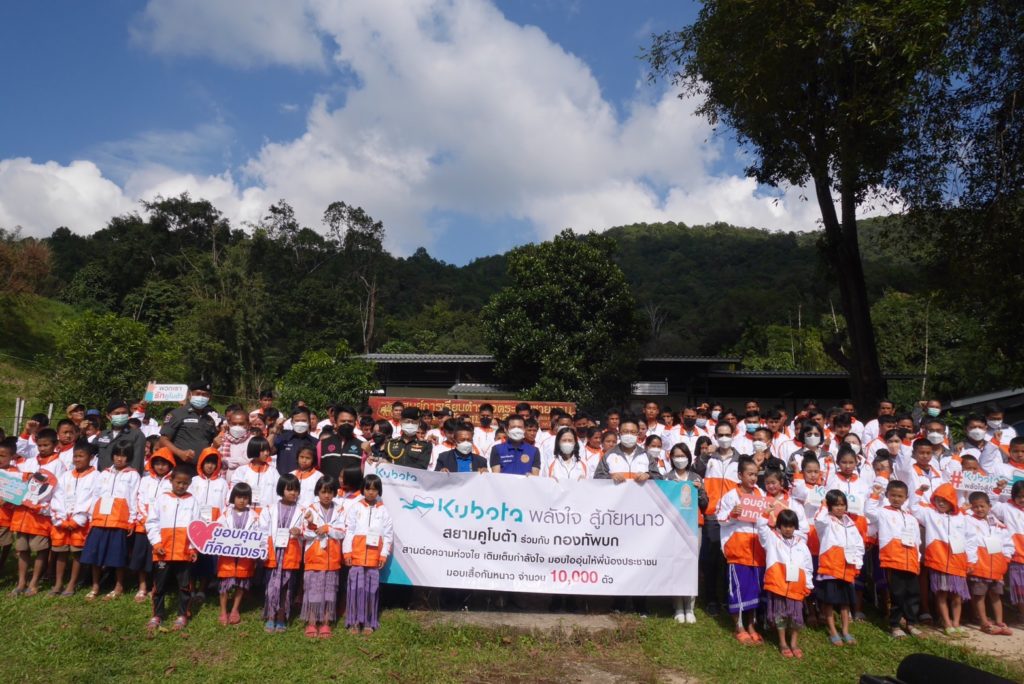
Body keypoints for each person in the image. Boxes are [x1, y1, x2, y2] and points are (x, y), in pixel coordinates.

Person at [81, 441, 140, 600]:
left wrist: (132, 519)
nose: (120, 459)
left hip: (119, 520)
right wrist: (91, 516)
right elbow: (96, 495)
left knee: (117, 555)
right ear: (112, 455)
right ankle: (95, 585)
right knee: (95, 554)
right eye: (117, 455)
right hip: (100, 519)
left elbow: (133, 498)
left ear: (129, 458)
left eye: (124, 456)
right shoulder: (104, 473)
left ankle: (118, 586)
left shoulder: (133, 475)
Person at [693, 422, 741, 616]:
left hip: (733, 516)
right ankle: (711, 599)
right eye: (720, 434)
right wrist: (704, 455)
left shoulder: (741, 459)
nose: (723, 438)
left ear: (733, 435)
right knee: (711, 559)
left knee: (728, 559)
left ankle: (726, 598)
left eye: (727, 434)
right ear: (715, 436)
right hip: (712, 514)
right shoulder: (707, 458)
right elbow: (694, 471)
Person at [909, 482, 969, 636]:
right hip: (938, 560)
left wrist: (971, 560)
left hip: (958, 561)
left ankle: (956, 623)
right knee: (941, 594)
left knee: (957, 595)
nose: (941, 503)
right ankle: (947, 623)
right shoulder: (929, 514)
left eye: (945, 500)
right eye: (938, 500)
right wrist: (918, 492)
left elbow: (969, 538)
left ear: (952, 501)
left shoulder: (961, 516)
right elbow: (914, 508)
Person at [865, 480, 923, 638]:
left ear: (906, 498)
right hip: (893, 558)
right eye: (893, 495)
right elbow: (869, 511)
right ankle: (895, 624)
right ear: (888, 496)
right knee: (897, 593)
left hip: (910, 560)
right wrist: (875, 494)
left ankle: (911, 623)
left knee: (913, 593)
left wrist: (917, 558)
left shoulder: (911, 518)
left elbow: (917, 540)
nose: (896, 499)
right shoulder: (883, 512)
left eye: (900, 496)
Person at [717, 457, 765, 643]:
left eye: (756, 474)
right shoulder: (731, 495)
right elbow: (720, 518)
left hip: (757, 550)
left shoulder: (760, 494)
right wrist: (732, 514)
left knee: (754, 588)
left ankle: (752, 624)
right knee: (739, 588)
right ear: (740, 475)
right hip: (738, 550)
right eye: (750, 474)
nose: (754, 478)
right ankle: (739, 626)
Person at [145, 466, 199, 633]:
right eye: (178, 482)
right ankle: (157, 614)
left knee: (184, 586)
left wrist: (192, 549)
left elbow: (196, 527)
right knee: (159, 586)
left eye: (185, 483)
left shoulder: (193, 501)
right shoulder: (162, 499)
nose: (181, 486)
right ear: (171, 481)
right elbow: (152, 522)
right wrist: (157, 544)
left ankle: (183, 614)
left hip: (183, 553)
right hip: (163, 552)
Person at [757, 509, 813, 659]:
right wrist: (765, 515)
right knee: (780, 615)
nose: (788, 529)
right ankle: (782, 642)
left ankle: (794, 643)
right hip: (778, 584)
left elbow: (808, 566)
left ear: (795, 527)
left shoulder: (801, 544)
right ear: (778, 526)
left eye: (791, 526)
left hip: (796, 586)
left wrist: (808, 584)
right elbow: (761, 529)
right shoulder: (772, 539)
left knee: (796, 615)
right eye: (784, 525)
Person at [344, 474, 393, 635]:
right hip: (357, 557)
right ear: (362, 489)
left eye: (374, 489)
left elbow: (388, 535)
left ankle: (368, 622)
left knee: (370, 590)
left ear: (379, 491)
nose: (371, 492)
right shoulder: (355, 507)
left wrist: (383, 554)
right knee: (356, 589)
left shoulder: (384, 510)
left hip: (373, 559)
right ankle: (354, 622)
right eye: (368, 488)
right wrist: (347, 552)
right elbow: (349, 531)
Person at [814, 490, 864, 646]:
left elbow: (858, 544)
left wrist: (858, 562)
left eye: (842, 505)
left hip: (847, 568)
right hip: (830, 567)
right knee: (829, 601)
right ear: (829, 506)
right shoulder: (826, 521)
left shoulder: (851, 523)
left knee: (845, 602)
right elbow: (818, 520)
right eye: (835, 505)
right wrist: (822, 505)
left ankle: (845, 631)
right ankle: (833, 632)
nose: (839, 508)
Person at [665, 443, 706, 623]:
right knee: (675, 563)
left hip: (693, 525)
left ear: (689, 457)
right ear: (671, 458)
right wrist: (668, 488)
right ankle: (678, 606)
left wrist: (701, 490)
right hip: (673, 526)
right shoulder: (666, 477)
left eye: (683, 455)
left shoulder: (696, 477)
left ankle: (690, 606)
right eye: (676, 456)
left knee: (691, 564)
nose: (679, 459)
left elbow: (705, 505)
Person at [964, 491, 1014, 635]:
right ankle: (984, 621)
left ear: (989, 506)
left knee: (996, 595)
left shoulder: (997, 522)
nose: (979, 509)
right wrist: (971, 562)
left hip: (997, 566)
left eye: (982, 506)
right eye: (975, 507)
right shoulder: (968, 520)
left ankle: (999, 621)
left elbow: (1006, 541)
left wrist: (1006, 558)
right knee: (979, 595)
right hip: (980, 565)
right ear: (971, 508)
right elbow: (970, 543)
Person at [130, 448, 176, 602]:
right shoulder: (145, 479)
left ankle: (156, 586)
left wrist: (158, 523)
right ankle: (142, 587)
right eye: (157, 463)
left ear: (170, 465)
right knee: (141, 558)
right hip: (143, 526)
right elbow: (139, 499)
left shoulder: (172, 482)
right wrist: (145, 519)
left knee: (158, 560)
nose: (161, 467)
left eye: (164, 464)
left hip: (162, 528)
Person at [302, 475, 345, 638]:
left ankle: (326, 622)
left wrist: (327, 529)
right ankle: (312, 622)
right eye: (323, 492)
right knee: (313, 590)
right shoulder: (310, 509)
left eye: (330, 492)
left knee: (329, 592)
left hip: (332, 558)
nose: (326, 495)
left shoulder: (340, 509)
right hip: (315, 557)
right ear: (317, 493)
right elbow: (304, 532)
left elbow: (342, 532)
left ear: (335, 493)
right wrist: (314, 527)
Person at [217, 482, 264, 626]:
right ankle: (223, 611)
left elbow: (259, 534)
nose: (242, 500)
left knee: (241, 583)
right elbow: (218, 530)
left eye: (245, 497)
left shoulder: (255, 516)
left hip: (245, 556)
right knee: (224, 584)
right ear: (233, 498)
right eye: (238, 497)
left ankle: (235, 609)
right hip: (227, 556)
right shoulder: (225, 514)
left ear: (249, 499)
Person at [10, 461, 58, 597]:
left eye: (46, 445)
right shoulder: (29, 462)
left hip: (39, 521)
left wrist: (40, 507)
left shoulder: (58, 464)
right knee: (22, 550)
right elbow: (17, 481)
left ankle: (34, 583)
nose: (42, 448)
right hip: (21, 518)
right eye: (40, 445)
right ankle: (21, 583)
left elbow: (56, 493)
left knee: (40, 551)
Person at [263, 474, 304, 634]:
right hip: (274, 552)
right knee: (272, 586)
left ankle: (281, 617)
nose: (293, 493)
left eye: (296, 490)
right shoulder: (270, 509)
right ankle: (270, 616)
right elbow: (262, 529)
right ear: (281, 490)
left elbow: (308, 530)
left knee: (287, 586)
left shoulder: (302, 510)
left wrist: (299, 531)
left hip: (290, 552)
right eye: (289, 489)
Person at [159, 382, 218, 477]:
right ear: (190, 395)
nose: (201, 397)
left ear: (210, 398)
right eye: (198, 394)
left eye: (205, 395)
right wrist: (180, 453)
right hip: (180, 468)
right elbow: (163, 440)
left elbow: (212, 443)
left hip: (202, 471)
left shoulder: (209, 420)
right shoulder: (176, 414)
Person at [991, 480, 1024, 625]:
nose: (1022, 499)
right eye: (1019, 496)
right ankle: (1022, 614)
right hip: (1017, 556)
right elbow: (991, 504)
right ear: (1013, 495)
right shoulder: (1006, 508)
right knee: (1020, 590)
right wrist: (997, 489)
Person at [593, 416, 661, 482]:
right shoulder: (609, 455)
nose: (629, 435)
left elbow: (659, 478)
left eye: (633, 432)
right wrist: (610, 477)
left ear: (637, 434)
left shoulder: (646, 455)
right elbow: (597, 477)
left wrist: (649, 475)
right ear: (619, 433)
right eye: (625, 431)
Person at [232, 437, 279, 513]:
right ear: (254, 449)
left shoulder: (273, 472)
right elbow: (233, 492)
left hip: (267, 514)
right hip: (246, 513)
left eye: (267, 450)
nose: (266, 453)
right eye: (263, 450)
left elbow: (278, 494)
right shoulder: (242, 471)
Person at [317, 405, 363, 480]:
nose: (346, 424)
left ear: (355, 423)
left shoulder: (361, 446)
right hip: (328, 491)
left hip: (352, 491)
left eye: (350, 421)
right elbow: (317, 469)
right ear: (335, 423)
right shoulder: (322, 444)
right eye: (343, 421)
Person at [274, 406, 319, 476]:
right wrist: (274, 431)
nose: (300, 423)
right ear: (292, 422)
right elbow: (269, 451)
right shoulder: (283, 438)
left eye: (303, 421)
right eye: (297, 421)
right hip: (284, 483)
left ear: (309, 422)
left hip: (306, 483)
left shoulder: (315, 442)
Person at [189, 447, 228, 524]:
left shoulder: (222, 483)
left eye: (213, 463)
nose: (210, 466)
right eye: (207, 462)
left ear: (217, 465)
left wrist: (221, 521)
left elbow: (226, 505)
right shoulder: (194, 480)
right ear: (202, 462)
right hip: (195, 521)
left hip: (216, 522)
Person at [217, 409, 253, 481]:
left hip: (245, 481)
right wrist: (225, 460)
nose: (237, 427)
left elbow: (248, 460)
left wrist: (226, 460)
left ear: (249, 425)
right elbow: (215, 456)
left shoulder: (252, 440)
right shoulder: (223, 439)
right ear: (229, 424)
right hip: (223, 481)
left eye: (241, 424)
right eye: (234, 424)